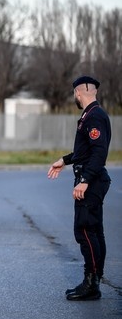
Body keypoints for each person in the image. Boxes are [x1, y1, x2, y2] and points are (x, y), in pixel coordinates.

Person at [48, 75, 111, 301]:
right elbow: (85, 152)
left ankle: (91, 283)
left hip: (91, 181)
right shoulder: (90, 115)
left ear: (79, 92)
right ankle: (93, 281)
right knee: (93, 230)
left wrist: (84, 180)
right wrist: (64, 161)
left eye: (74, 92)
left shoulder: (94, 116)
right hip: (92, 178)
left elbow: (99, 152)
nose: (74, 95)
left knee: (84, 230)